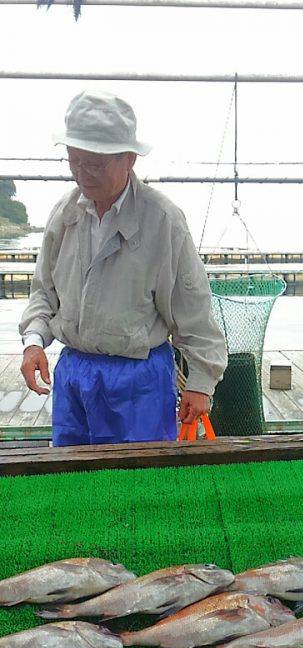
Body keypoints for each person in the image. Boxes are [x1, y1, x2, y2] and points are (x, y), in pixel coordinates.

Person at [19, 90, 227, 446]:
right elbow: (44, 293)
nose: (83, 173)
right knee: (74, 483)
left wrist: (201, 383)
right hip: (74, 375)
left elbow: (192, 307)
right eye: (74, 161)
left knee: (141, 487)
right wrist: (34, 342)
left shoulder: (163, 220)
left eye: (95, 164)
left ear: (129, 159)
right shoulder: (64, 214)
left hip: (140, 381)